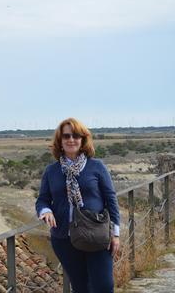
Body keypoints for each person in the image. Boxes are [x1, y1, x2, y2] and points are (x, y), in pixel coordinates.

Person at [35, 118, 120, 293]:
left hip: (96, 234)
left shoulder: (96, 167)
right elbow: (42, 199)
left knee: (104, 286)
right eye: (66, 136)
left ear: (83, 140)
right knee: (81, 287)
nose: (71, 139)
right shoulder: (52, 171)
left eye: (76, 135)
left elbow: (111, 199)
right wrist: (45, 210)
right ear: (60, 140)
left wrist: (116, 234)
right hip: (64, 237)